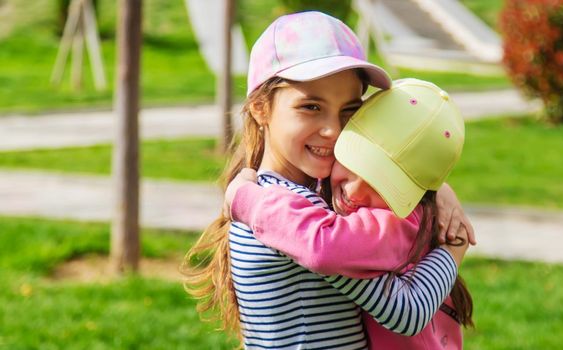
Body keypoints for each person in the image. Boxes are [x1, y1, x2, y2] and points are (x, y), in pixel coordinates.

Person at [182, 11, 473, 349]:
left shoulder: (301, 193)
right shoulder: (289, 218)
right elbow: (407, 311)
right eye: (311, 107)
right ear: (260, 107)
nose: (333, 130)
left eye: (349, 110)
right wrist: (454, 249)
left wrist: (433, 191)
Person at [227, 79, 473, 349]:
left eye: (381, 185)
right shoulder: (310, 202)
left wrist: (244, 198)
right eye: (354, 164)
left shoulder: (374, 224)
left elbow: (324, 244)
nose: (355, 191)